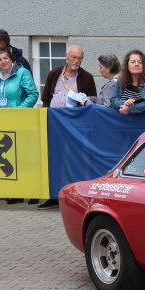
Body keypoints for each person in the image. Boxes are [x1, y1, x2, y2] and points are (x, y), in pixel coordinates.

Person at [39, 45, 97, 209]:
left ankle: (74, 196)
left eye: (79, 58)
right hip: (55, 123)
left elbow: (92, 102)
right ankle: (53, 195)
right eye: (73, 57)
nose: (76, 61)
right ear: (66, 56)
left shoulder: (86, 77)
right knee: (54, 158)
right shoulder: (55, 73)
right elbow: (46, 99)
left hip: (75, 126)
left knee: (73, 159)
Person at [0, 48, 40, 205]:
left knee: (26, 158)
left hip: (23, 121)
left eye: (5, 58)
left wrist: (18, 110)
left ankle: (33, 192)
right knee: (12, 157)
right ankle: (16, 193)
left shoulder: (22, 73)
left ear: (10, 59)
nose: (3, 61)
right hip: (5, 122)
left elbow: (33, 94)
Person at [111, 50, 145, 115]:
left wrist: (130, 109)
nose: (136, 64)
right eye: (133, 62)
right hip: (122, 122)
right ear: (127, 65)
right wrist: (125, 102)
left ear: (144, 66)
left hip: (144, 122)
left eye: (140, 62)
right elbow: (113, 100)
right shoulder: (120, 81)